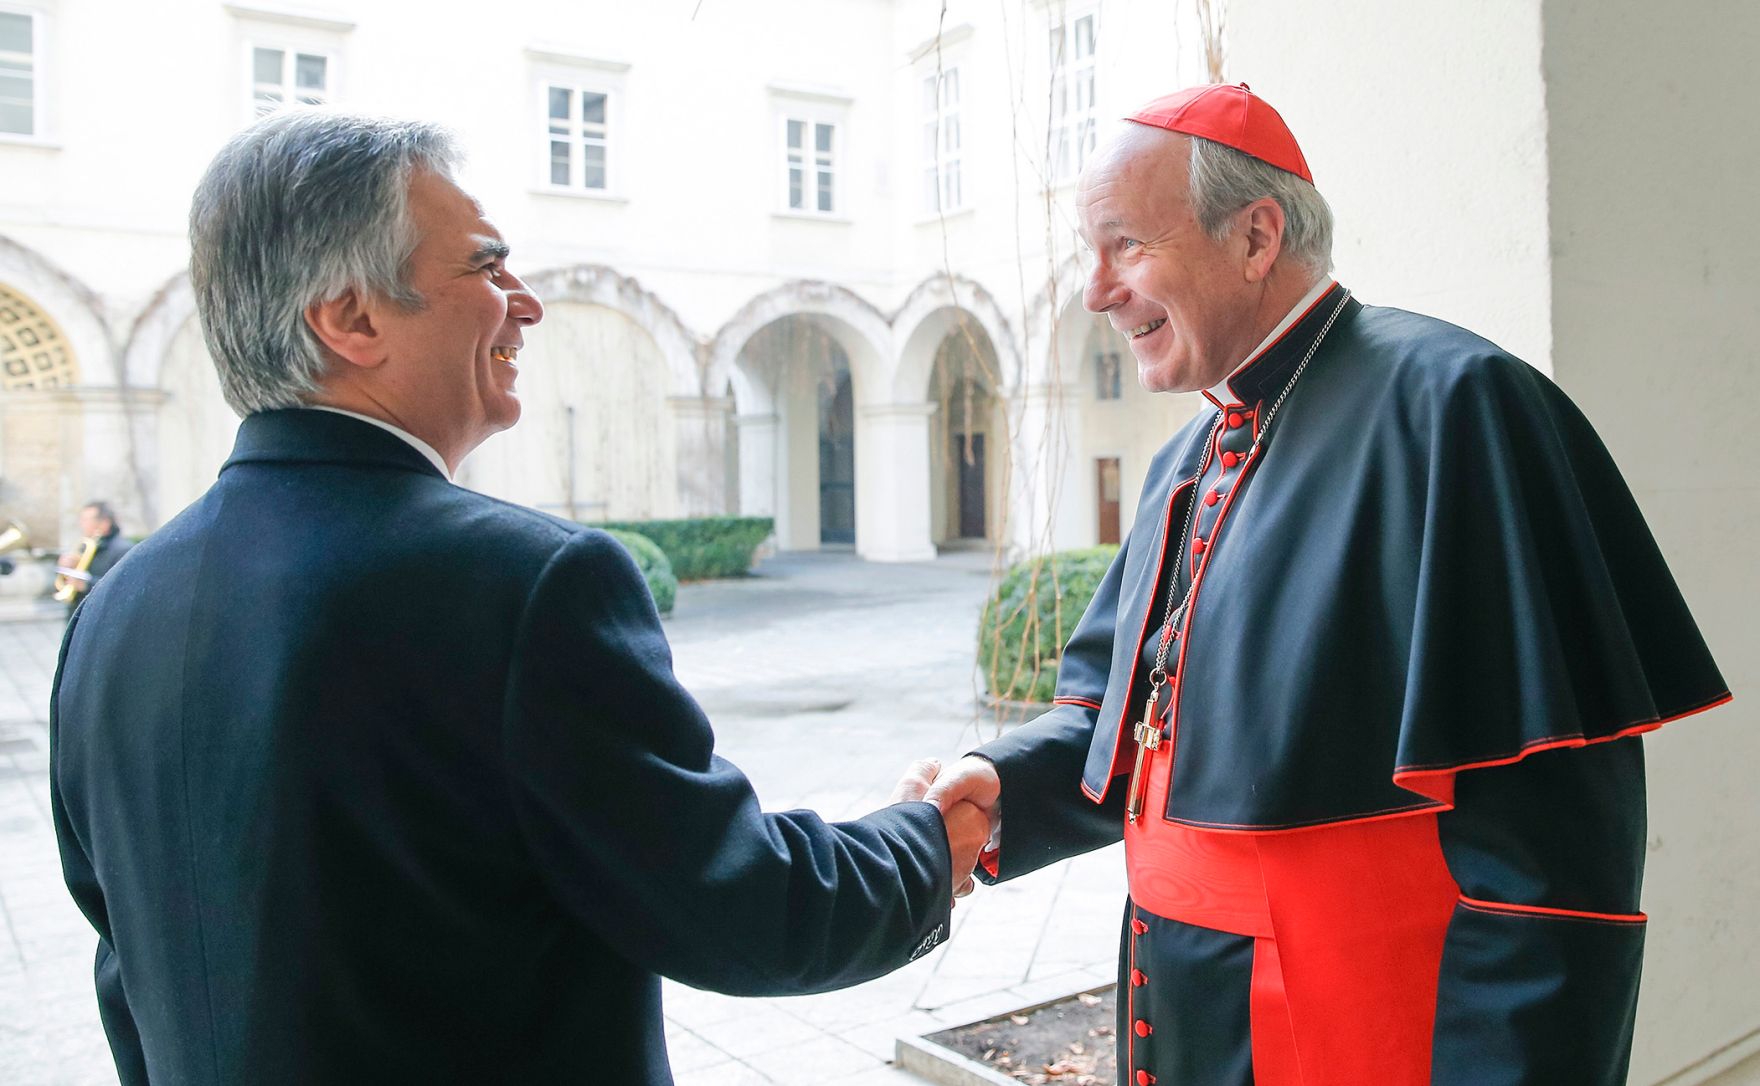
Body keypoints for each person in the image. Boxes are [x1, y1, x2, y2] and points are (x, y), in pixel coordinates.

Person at [50, 110, 988, 1085]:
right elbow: (736, 907)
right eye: (487, 268)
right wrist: (924, 846)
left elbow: (128, 978)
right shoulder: (525, 584)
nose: (526, 303)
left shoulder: (111, 613)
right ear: (351, 318)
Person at [923, 84, 1730, 1086]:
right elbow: (1132, 735)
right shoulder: (1184, 461)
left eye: (1124, 245)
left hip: (1364, 1026)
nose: (1094, 291)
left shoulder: (1454, 409)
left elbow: (1553, 868)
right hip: (1183, 1009)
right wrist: (1000, 789)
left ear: (1254, 235)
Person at [55, 500, 133, 611]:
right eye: (81, 520)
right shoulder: (84, 548)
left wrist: (86, 585)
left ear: (105, 523)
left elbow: (124, 588)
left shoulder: (123, 549)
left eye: (86, 520)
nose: (82, 524)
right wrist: (66, 569)